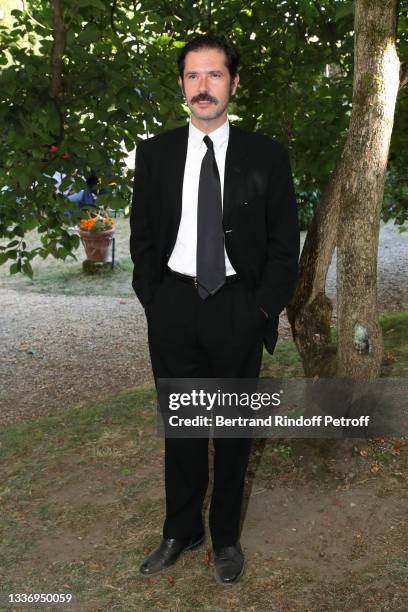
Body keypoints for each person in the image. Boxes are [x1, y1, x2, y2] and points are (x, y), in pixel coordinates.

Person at [129, 34, 300, 585]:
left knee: (229, 429)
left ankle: (225, 536)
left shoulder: (266, 156)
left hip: (236, 307)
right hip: (174, 304)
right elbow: (144, 237)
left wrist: (260, 309)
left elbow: (282, 246)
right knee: (181, 427)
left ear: (233, 83)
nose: (202, 87)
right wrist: (154, 301)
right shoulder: (154, 154)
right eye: (192, 76)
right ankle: (182, 529)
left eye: (214, 75)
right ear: (182, 84)